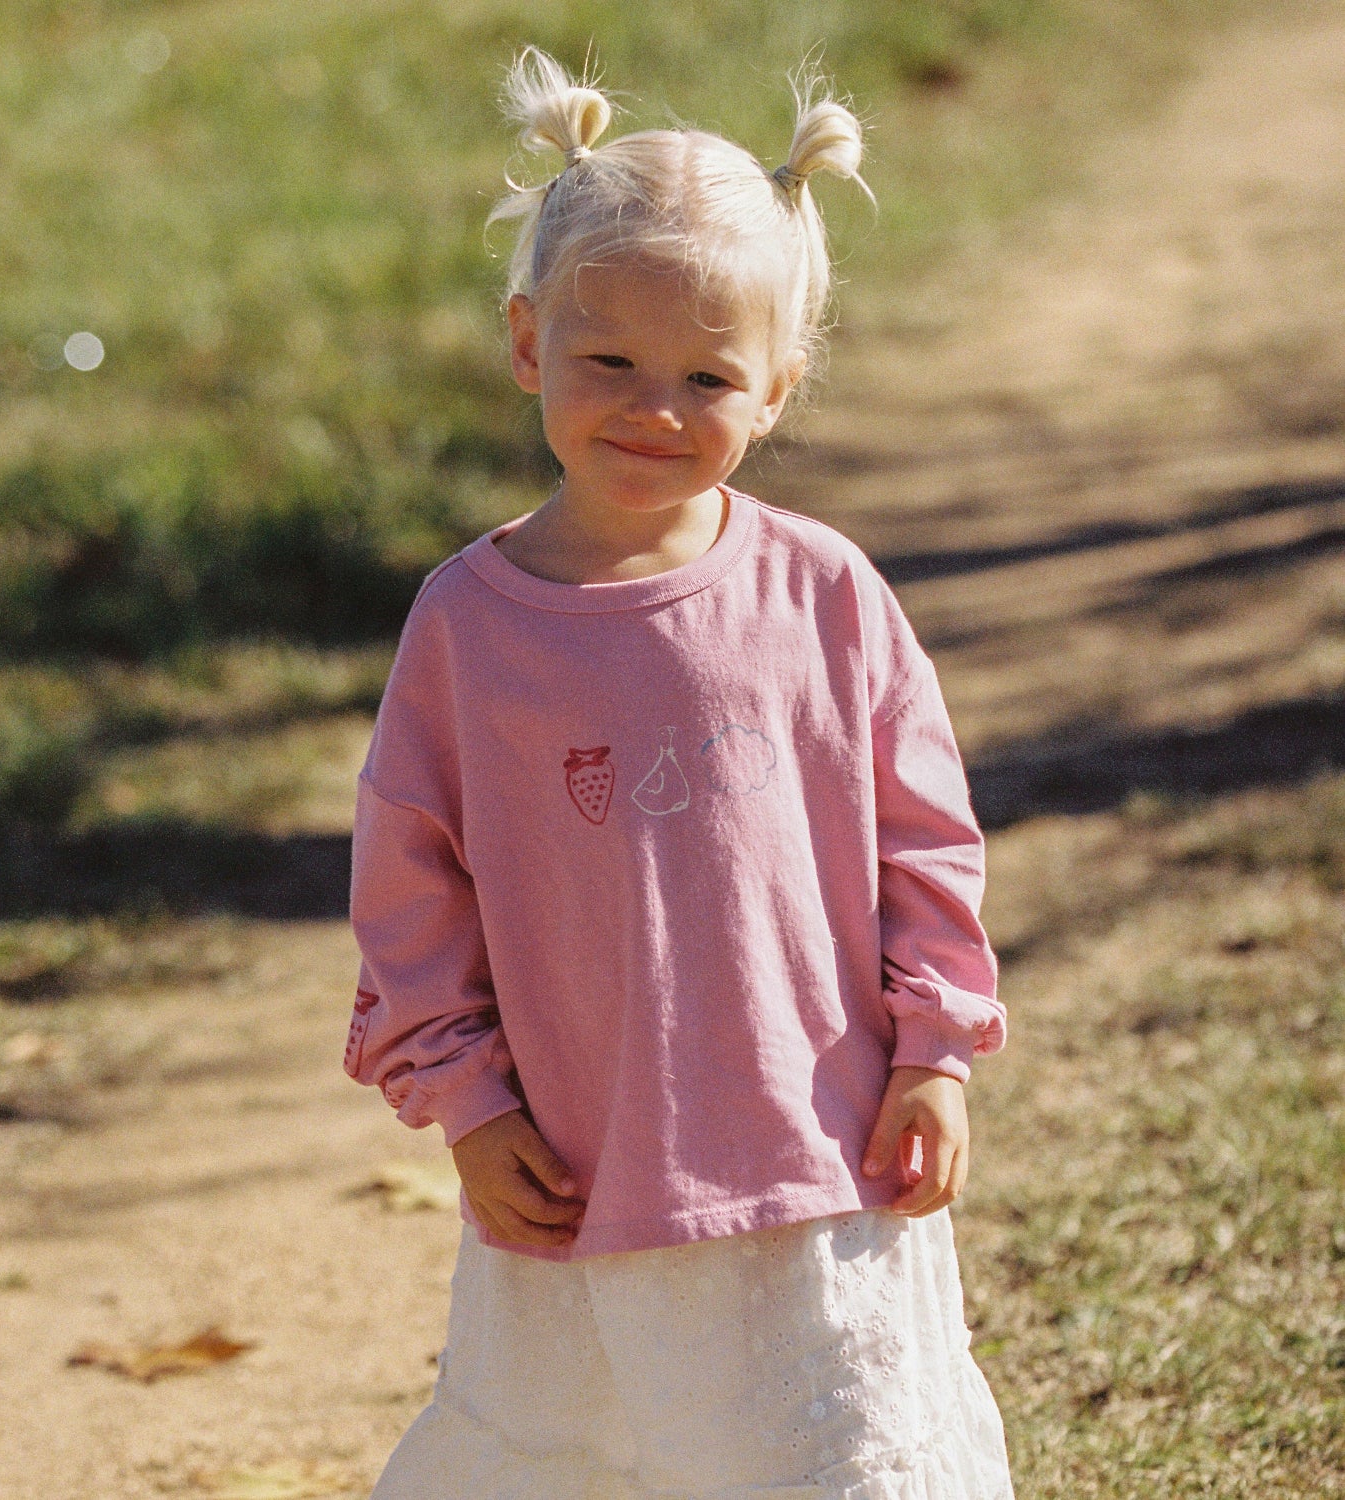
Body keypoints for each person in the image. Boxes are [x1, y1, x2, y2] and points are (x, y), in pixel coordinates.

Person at [345, 44, 1016, 1498]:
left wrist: (936, 1051)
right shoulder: (471, 627)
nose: (656, 406)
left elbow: (925, 837)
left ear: (776, 388)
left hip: (815, 1153)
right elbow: (409, 891)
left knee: (824, 1453)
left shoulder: (825, 595)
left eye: (707, 375)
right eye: (609, 363)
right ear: (527, 346)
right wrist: (468, 1097)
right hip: (580, 1169)